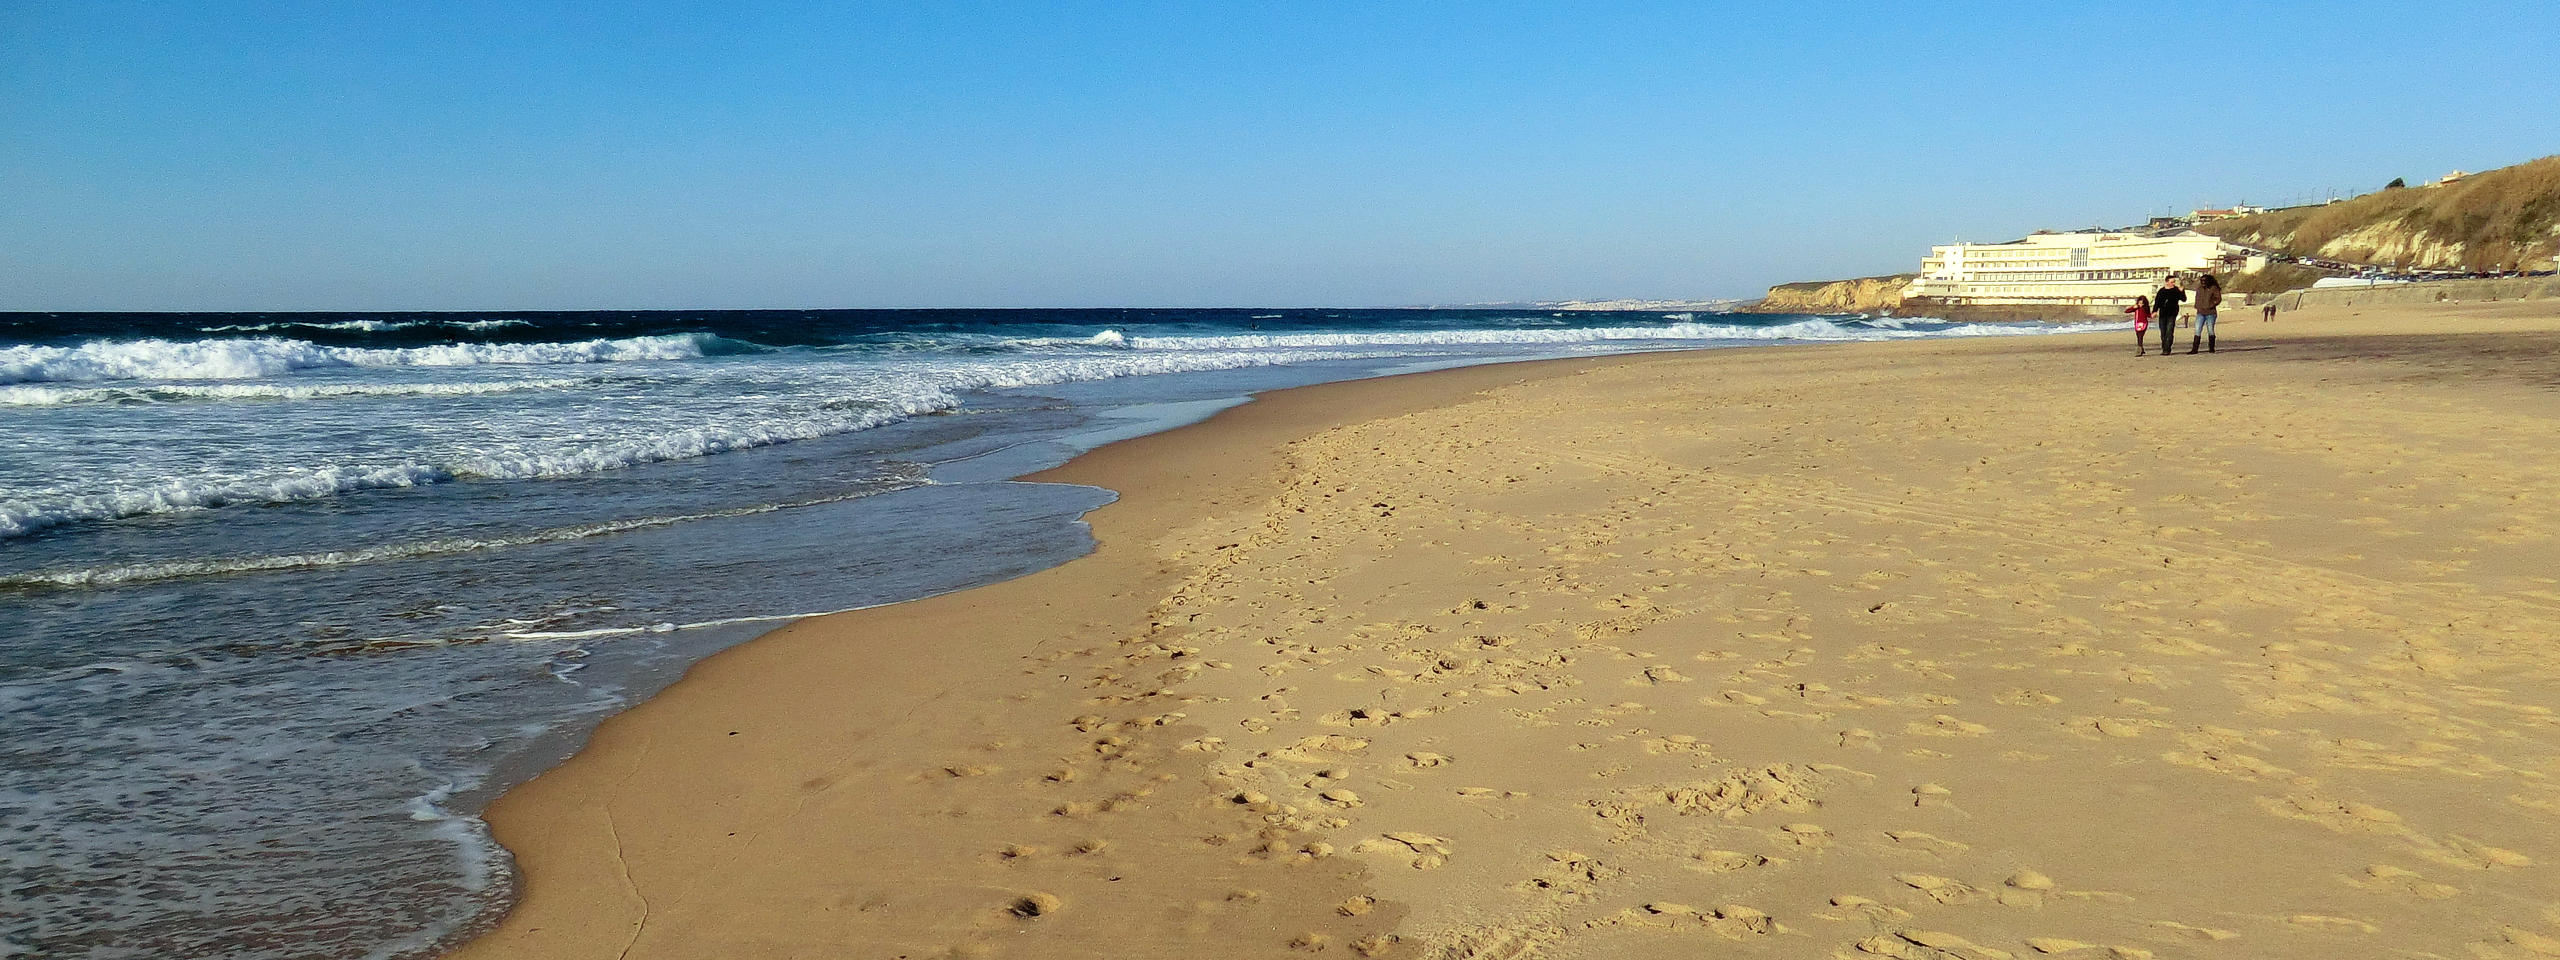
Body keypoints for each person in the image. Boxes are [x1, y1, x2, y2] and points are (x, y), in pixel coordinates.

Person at [2151, 276, 2185, 356]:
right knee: (2163, 332)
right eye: (2171, 282)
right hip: (2163, 314)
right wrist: (2154, 311)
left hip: (2172, 314)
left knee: (2169, 331)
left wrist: (2182, 291)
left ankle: (2167, 349)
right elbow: (2157, 302)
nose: (2173, 283)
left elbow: (2183, 299)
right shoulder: (2161, 291)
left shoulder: (2176, 290)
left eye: (2174, 282)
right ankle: (2164, 347)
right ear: (2166, 282)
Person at [2190, 274, 2222, 353]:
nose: (2203, 282)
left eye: (2204, 281)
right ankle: (2194, 349)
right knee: (2197, 330)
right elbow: (2197, 298)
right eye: (2202, 281)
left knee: (2210, 330)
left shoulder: (2213, 288)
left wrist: (2211, 305)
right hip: (2200, 312)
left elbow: (2218, 299)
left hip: (2211, 313)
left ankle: (2211, 348)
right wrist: (2197, 306)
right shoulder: (2199, 289)